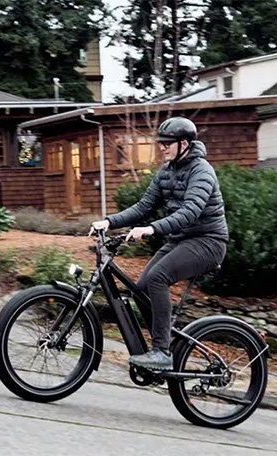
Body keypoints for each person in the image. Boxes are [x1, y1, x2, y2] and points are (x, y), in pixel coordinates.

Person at [90, 117, 228, 371]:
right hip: (180, 240)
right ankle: (166, 341)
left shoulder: (202, 171)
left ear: (184, 144)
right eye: (160, 143)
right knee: (140, 288)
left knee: (158, 278)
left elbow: (190, 212)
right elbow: (144, 207)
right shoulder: (167, 171)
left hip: (208, 241)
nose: (162, 147)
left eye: (167, 143)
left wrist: (152, 229)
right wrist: (109, 222)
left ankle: (161, 352)